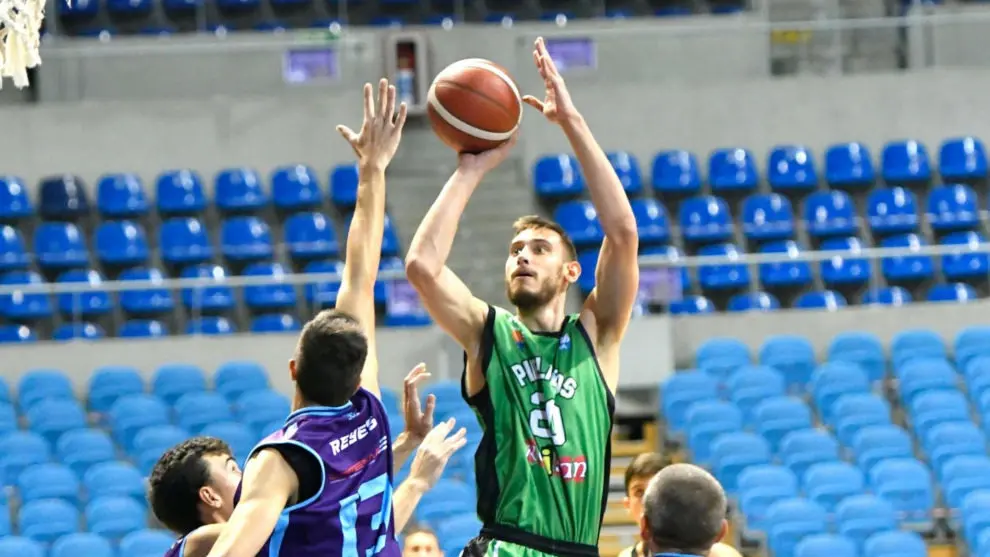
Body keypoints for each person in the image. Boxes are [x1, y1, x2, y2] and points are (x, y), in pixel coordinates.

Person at [197, 78, 466, 557]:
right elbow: (362, 274)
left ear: (294, 369)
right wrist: (374, 169)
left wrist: (371, 169)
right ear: (356, 373)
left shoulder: (283, 458)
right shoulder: (373, 413)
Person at [405, 37, 640, 557]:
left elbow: (622, 232)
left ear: (570, 270)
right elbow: (422, 265)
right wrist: (471, 170)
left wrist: (572, 124)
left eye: (538, 248)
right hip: (507, 546)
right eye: (514, 250)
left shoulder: (596, 337)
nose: (523, 257)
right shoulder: (490, 333)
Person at [150, 364, 455, 557]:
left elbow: (357, 538)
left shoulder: (275, 542)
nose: (249, 476)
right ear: (210, 495)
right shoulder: (198, 544)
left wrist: (406, 446)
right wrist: (414, 481)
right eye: (234, 469)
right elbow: (343, 523)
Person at [620, 453, 741, 557]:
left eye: (657, 492)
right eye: (639, 492)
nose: (648, 501)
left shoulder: (724, 554)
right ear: (627, 504)